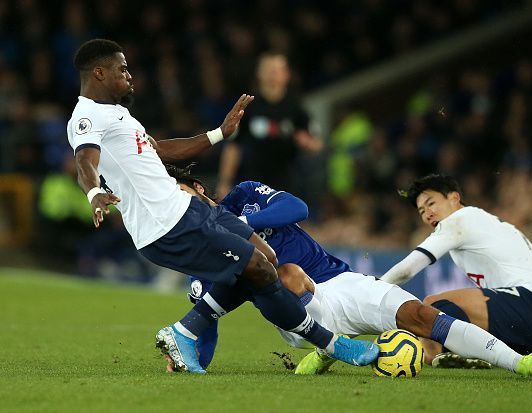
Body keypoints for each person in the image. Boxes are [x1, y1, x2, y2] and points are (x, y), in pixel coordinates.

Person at [67, 38, 380, 375]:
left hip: (190, 207)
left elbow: (159, 151)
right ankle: (333, 344)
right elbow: (86, 161)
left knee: (267, 261)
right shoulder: (86, 116)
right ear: (99, 72)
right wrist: (94, 193)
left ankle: (185, 331)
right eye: (122, 69)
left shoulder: (120, 115)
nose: (130, 75)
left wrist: (219, 133)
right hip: (167, 223)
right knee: (258, 271)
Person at [166, 165, 532, 379]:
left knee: (422, 315)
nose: (185, 210)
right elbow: (209, 315)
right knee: (285, 271)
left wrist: (240, 227)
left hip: (342, 280)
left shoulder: (247, 194)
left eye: (183, 197)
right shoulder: (203, 247)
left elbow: (298, 209)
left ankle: (522, 363)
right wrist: (192, 361)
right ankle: (329, 345)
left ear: (198, 187)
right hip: (300, 306)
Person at [381, 173, 532, 368]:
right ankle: (462, 355)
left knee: (432, 305)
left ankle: (432, 355)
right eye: (422, 211)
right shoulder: (478, 220)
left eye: (431, 203)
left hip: (531, 306)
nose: (427, 214)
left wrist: (370, 290)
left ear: (454, 198)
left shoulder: (460, 219)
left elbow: (407, 270)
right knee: (452, 322)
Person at [216, 52, 322, 200]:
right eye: (269, 70)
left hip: (291, 184)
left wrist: (308, 143)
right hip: (256, 184)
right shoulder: (249, 106)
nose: (273, 75)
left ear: (287, 74)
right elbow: (233, 146)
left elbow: (317, 145)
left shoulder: (296, 106)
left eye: (278, 70)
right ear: (259, 73)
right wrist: (224, 182)